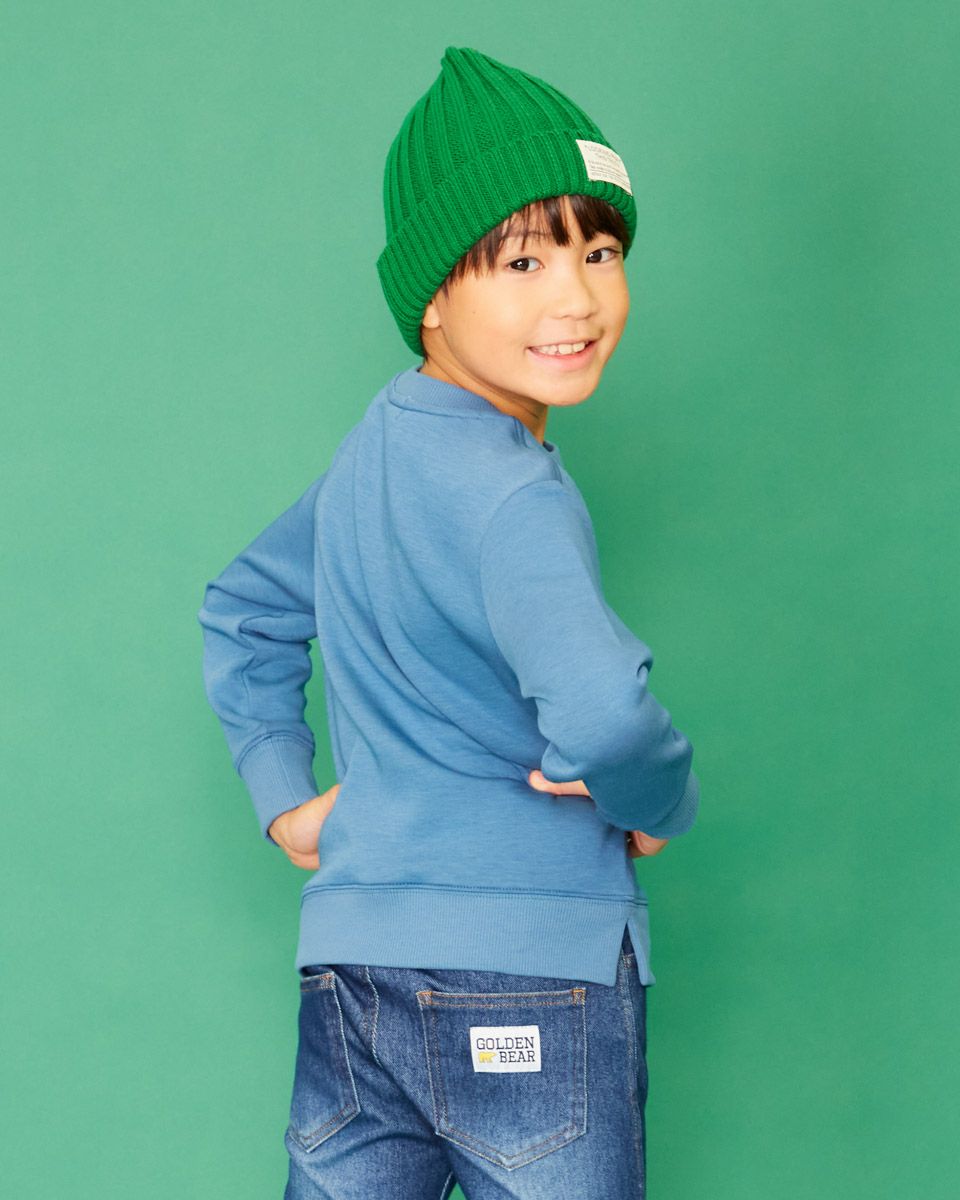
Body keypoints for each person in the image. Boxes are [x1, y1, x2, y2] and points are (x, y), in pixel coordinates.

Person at [197, 44, 700, 1200]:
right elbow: (604, 715)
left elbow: (245, 605)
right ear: (431, 298)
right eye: (522, 260)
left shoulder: (371, 452)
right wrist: (656, 801)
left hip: (354, 972)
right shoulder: (516, 495)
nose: (575, 297)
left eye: (600, 251)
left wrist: (285, 798)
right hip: (533, 975)